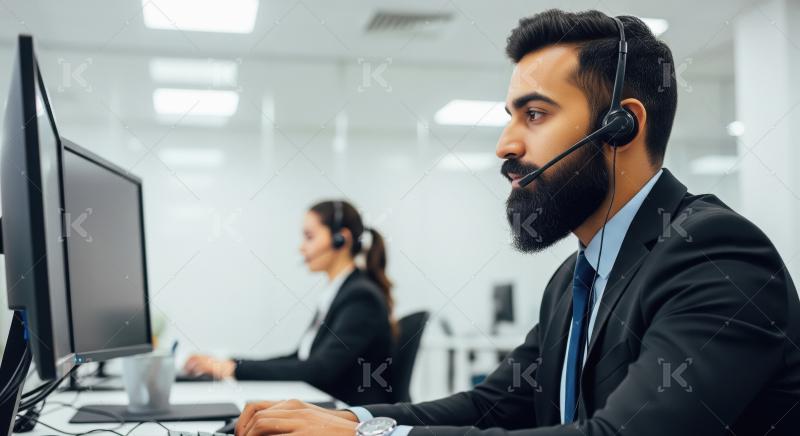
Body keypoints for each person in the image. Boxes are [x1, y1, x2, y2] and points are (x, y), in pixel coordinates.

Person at [232, 9, 800, 436]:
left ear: (621, 127)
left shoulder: (714, 254)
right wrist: (351, 420)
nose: (505, 144)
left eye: (534, 114)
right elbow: (494, 404)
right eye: (511, 116)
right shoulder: (574, 280)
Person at [184, 200, 398, 406]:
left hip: (351, 413)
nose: (301, 248)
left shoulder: (361, 296)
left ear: (340, 239)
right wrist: (231, 364)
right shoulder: (338, 292)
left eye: (309, 237)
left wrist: (231, 369)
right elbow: (300, 358)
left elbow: (320, 370)